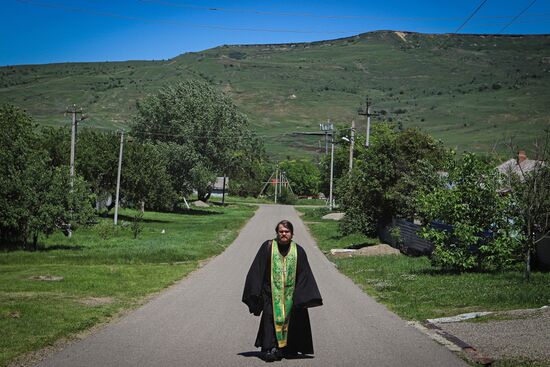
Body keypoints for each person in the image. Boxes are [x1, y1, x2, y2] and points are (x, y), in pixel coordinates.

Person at [242, 220, 323, 362]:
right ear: (277, 233)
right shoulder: (268, 247)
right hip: (270, 292)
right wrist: (256, 291)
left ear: (292, 234)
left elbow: (304, 274)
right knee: (270, 319)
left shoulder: (298, 251)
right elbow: (257, 269)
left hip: (291, 294)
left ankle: (288, 349)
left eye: (286, 232)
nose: (283, 234)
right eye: (281, 231)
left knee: (291, 321)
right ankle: (270, 349)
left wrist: (302, 295)